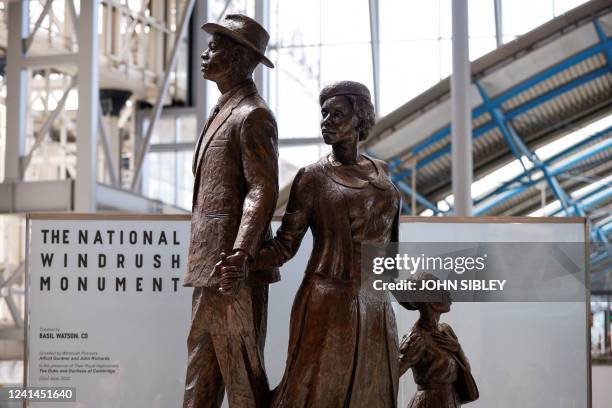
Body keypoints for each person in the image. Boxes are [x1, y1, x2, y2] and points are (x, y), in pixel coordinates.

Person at [225, 80, 403, 406]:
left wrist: (419, 301)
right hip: (328, 301)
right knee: (317, 392)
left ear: (360, 119)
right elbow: (285, 245)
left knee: (373, 391)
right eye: (324, 114)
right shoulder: (312, 177)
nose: (327, 121)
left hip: (377, 304)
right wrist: (245, 260)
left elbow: (389, 252)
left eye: (337, 114)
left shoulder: (383, 172)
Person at [182, 14, 278, 408]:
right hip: (213, 265)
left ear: (239, 58)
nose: (205, 54)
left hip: (232, 268)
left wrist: (241, 253)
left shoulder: (252, 114)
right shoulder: (226, 108)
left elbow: (263, 188)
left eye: (215, 47)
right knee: (201, 372)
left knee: (241, 377)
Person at [399, 273, 479, 407]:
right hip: (429, 403)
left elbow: (464, 370)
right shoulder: (416, 338)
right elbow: (391, 375)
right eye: (440, 289)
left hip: (451, 400)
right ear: (428, 298)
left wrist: (458, 349)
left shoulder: (446, 330)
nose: (447, 292)